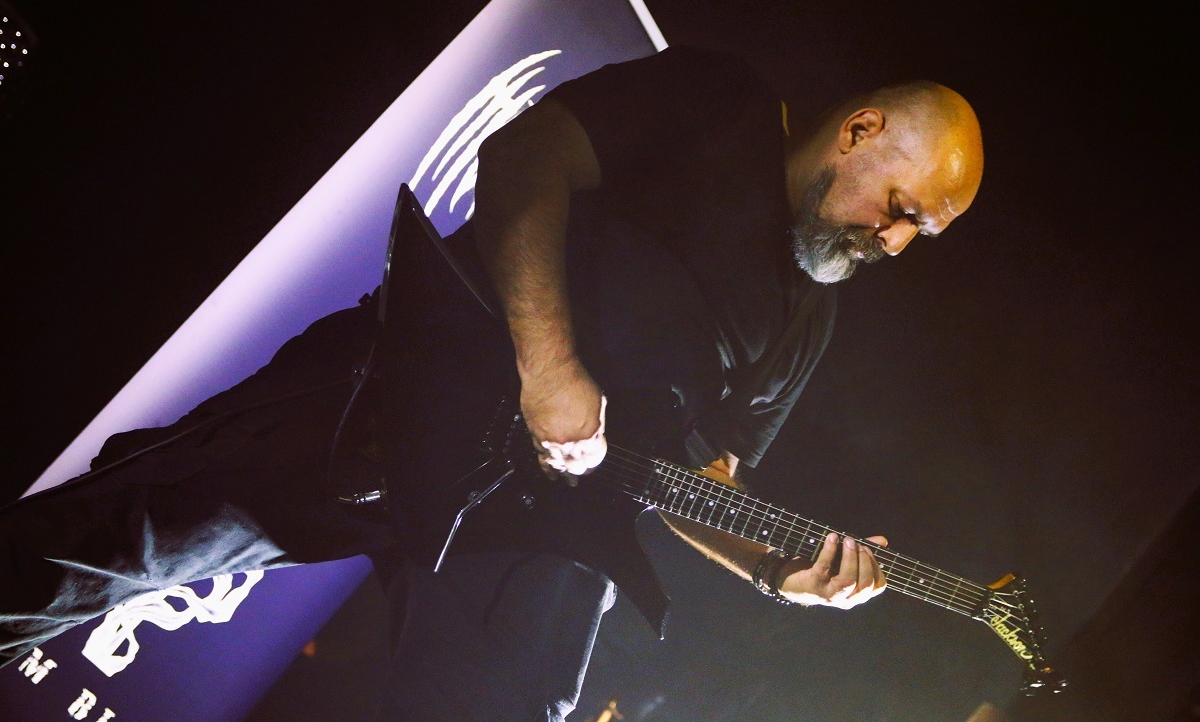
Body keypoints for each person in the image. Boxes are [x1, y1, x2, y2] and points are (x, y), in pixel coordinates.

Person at [0, 46, 983, 720]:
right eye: (902, 208)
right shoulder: (719, 101)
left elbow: (707, 477)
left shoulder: (810, 320)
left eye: (920, 235)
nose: (895, 241)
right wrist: (548, 365)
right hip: (409, 384)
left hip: (543, 528)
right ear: (860, 130)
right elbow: (525, 156)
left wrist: (776, 569)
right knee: (108, 546)